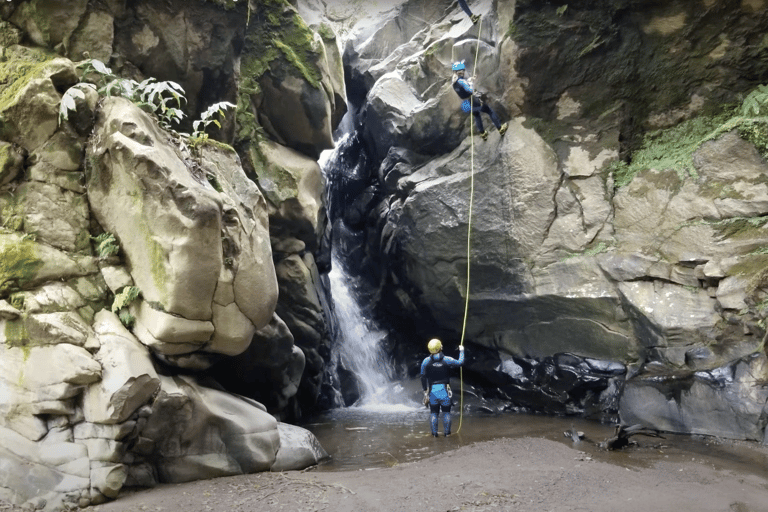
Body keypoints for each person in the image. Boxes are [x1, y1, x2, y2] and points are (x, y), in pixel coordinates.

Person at [451, 60, 508, 141]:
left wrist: (469, 80)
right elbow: (470, 90)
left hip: (467, 103)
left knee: (477, 115)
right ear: (462, 71)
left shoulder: (454, 82)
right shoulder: (462, 81)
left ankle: (483, 134)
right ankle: (500, 128)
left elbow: (463, 87)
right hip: (473, 100)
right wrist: (470, 83)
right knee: (489, 111)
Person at [421, 338, 465, 437]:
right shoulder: (447, 359)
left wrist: (425, 391)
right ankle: (447, 434)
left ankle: (434, 434)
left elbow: (423, 377)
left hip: (432, 392)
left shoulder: (425, 361)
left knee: (434, 413)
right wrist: (461, 350)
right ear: (440, 347)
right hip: (445, 391)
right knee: (446, 413)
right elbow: (460, 362)